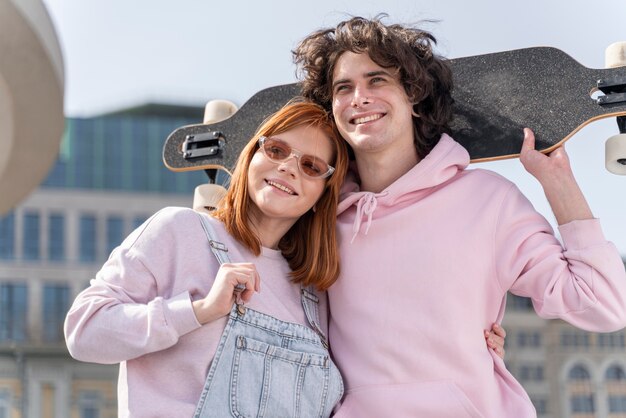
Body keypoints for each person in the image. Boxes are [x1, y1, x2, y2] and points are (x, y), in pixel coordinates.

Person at [292, 15, 626, 417]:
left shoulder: (487, 200)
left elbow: (605, 304)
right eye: (343, 88)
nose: (358, 97)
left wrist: (558, 182)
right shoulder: (319, 219)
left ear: (413, 95)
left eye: (377, 80)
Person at [64, 100, 349, 417]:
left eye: (311, 166)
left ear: (323, 194)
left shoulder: (314, 294)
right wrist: (198, 311)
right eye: (277, 150)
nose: (289, 167)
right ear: (251, 156)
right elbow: (84, 331)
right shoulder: (180, 231)